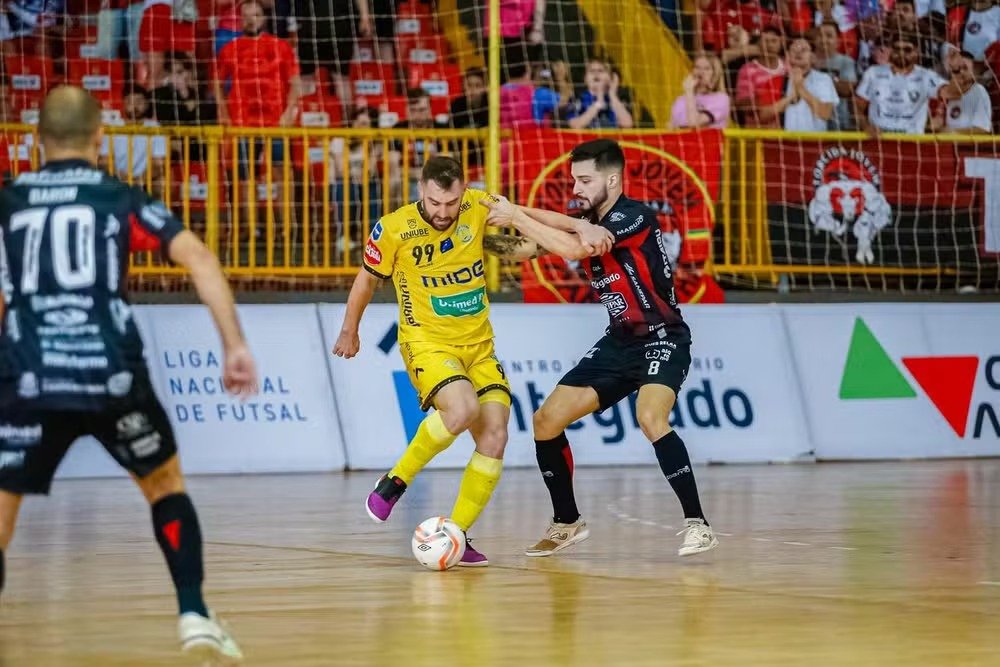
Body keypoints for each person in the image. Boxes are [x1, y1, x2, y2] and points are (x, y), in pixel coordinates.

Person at [0, 86, 258, 663]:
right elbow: (199, 257)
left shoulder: (10, 201)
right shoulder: (119, 197)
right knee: (164, 485)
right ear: (100, 137)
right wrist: (234, 345)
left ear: (36, 140)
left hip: (29, 374)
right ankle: (193, 613)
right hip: (111, 372)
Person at [479, 138, 719, 558]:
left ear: (612, 180)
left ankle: (698, 525)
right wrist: (473, 232)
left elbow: (575, 245)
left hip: (662, 337)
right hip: (619, 341)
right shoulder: (587, 220)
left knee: (650, 417)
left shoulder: (635, 216)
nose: (576, 188)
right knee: (545, 421)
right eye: (574, 180)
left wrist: (515, 214)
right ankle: (566, 522)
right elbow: (525, 248)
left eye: (585, 180)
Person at [334, 157, 524, 566]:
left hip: (480, 347)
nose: (442, 211)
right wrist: (350, 329)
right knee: (462, 409)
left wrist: (566, 234)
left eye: (451, 203)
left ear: (464, 191)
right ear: (421, 190)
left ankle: (456, 534)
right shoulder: (394, 228)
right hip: (427, 343)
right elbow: (367, 279)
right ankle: (395, 480)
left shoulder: (479, 205)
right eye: (435, 202)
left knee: (495, 435)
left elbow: (518, 238)